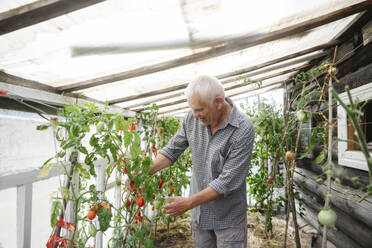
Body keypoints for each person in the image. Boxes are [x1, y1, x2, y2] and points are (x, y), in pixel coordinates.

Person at [149, 74, 254, 248]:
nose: (195, 115)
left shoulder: (242, 129)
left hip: (228, 219)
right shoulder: (192, 119)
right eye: (192, 109)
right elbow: (172, 150)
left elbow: (227, 182)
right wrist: (146, 171)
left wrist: (188, 202)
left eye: (199, 110)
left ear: (218, 102)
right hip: (200, 217)